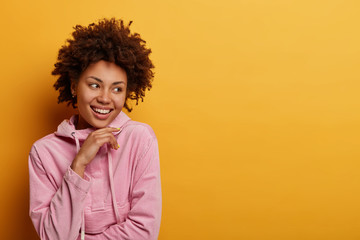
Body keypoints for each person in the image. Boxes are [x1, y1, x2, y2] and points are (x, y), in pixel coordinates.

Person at [28, 18, 162, 240]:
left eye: (117, 89)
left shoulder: (140, 139)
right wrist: (78, 164)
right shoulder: (43, 153)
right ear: (73, 86)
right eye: (94, 85)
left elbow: (145, 231)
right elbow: (53, 237)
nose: (105, 98)